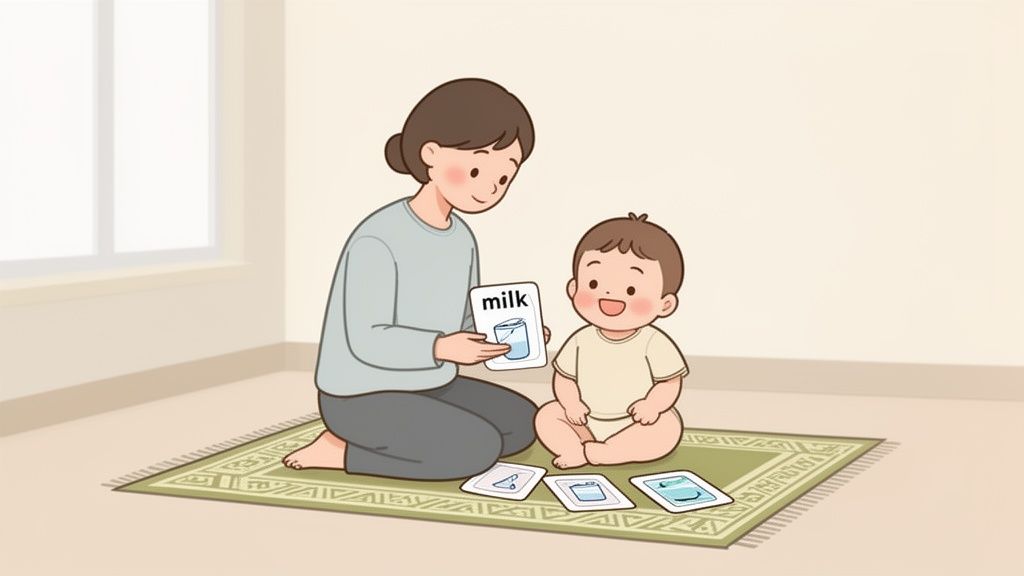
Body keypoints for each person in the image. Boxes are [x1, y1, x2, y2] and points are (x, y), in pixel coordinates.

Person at [283, 79, 546, 480]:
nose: (489, 188)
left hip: (431, 382)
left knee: (525, 422)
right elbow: (367, 338)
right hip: (360, 395)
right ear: (431, 155)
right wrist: (441, 347)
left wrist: (503, 336)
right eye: (477, 168)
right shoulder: (378, 237)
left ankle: (412, 434)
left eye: (503, 178)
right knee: (476, 449)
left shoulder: (462, 238)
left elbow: (461, 322)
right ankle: (340, 451)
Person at [534, 213, 689, 468]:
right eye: (594, 283)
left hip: (635, 424)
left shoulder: (653, 342)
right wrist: (571, 404)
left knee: (668, 426)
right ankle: (576, 449)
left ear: (665, 304)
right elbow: (564, 377)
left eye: (631, 290)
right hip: (583, 421)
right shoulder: (580, 339)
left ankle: (612, 451)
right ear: (573, 289)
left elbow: (670, 381)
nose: (609, 295)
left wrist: (652, 405)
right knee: (548, 415)